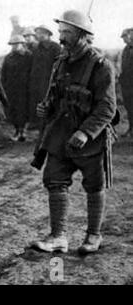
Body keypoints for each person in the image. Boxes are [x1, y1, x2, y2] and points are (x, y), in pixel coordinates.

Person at [31, 10, 117, 254]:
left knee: (94, 185)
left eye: (67, 33)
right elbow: (53, 96)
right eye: (60, 32)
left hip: (90, 139)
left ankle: (93, 236)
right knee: (54, 179)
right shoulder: (60, 62)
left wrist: (85, 132)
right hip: (60, 135)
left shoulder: (101, 65)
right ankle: (58, 237)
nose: (61, 38)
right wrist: (45, 107)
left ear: (83, 36)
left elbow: (107, 107)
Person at [28, 24, 61, 129]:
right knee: (35, 100)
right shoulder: (36, 48)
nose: (40, 35)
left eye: (43, 33)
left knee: (47, 101)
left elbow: (60, 64)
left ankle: (48, 124)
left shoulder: (55, 47)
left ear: (48, 34)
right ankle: (36, 123)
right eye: (38, 33)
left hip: (49, 79)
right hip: (36, 79)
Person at [1, 35, 33, 142]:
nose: (14, 46)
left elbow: (33, 71)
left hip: (24, 88)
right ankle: (17, 131)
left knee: (23, 110)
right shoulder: (8, 57)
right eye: (12, 45)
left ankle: (22, 131)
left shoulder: (28, 56)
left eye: (17, 44)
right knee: (12, 110)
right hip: (11, 88)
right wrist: (4, 86)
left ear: (22, 44)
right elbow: (3, 74)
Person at [119, 28, 133, 138]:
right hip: (127, 85)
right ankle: (131, 129)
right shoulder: (125, 50)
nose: (123, 39)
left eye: (125, 37)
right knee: (129, 107)